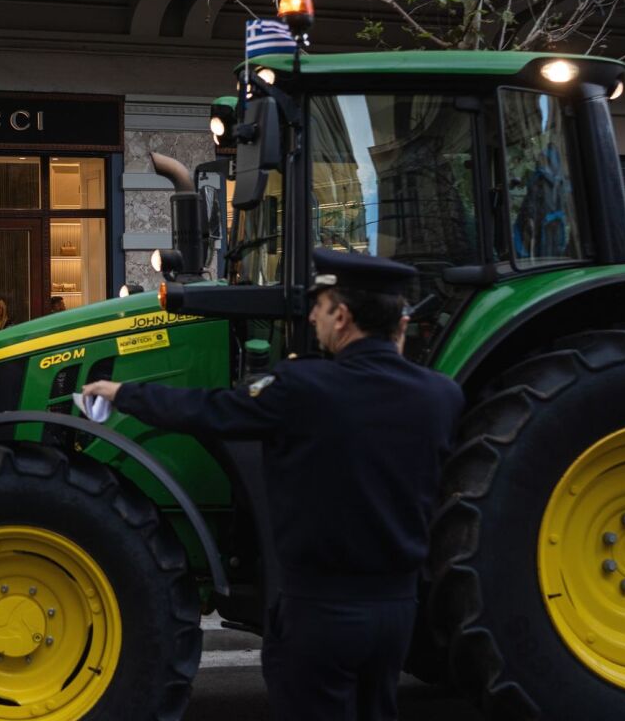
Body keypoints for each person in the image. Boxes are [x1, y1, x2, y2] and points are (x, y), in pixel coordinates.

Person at [80, 250, 465, 721]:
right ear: (398, 324)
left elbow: (208, 409)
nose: (312, 317)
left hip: (321, 611)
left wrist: (123, 393)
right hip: (395, 612)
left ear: (342, 317)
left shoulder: (302, 387)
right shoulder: (441, 396)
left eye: (320, 307)